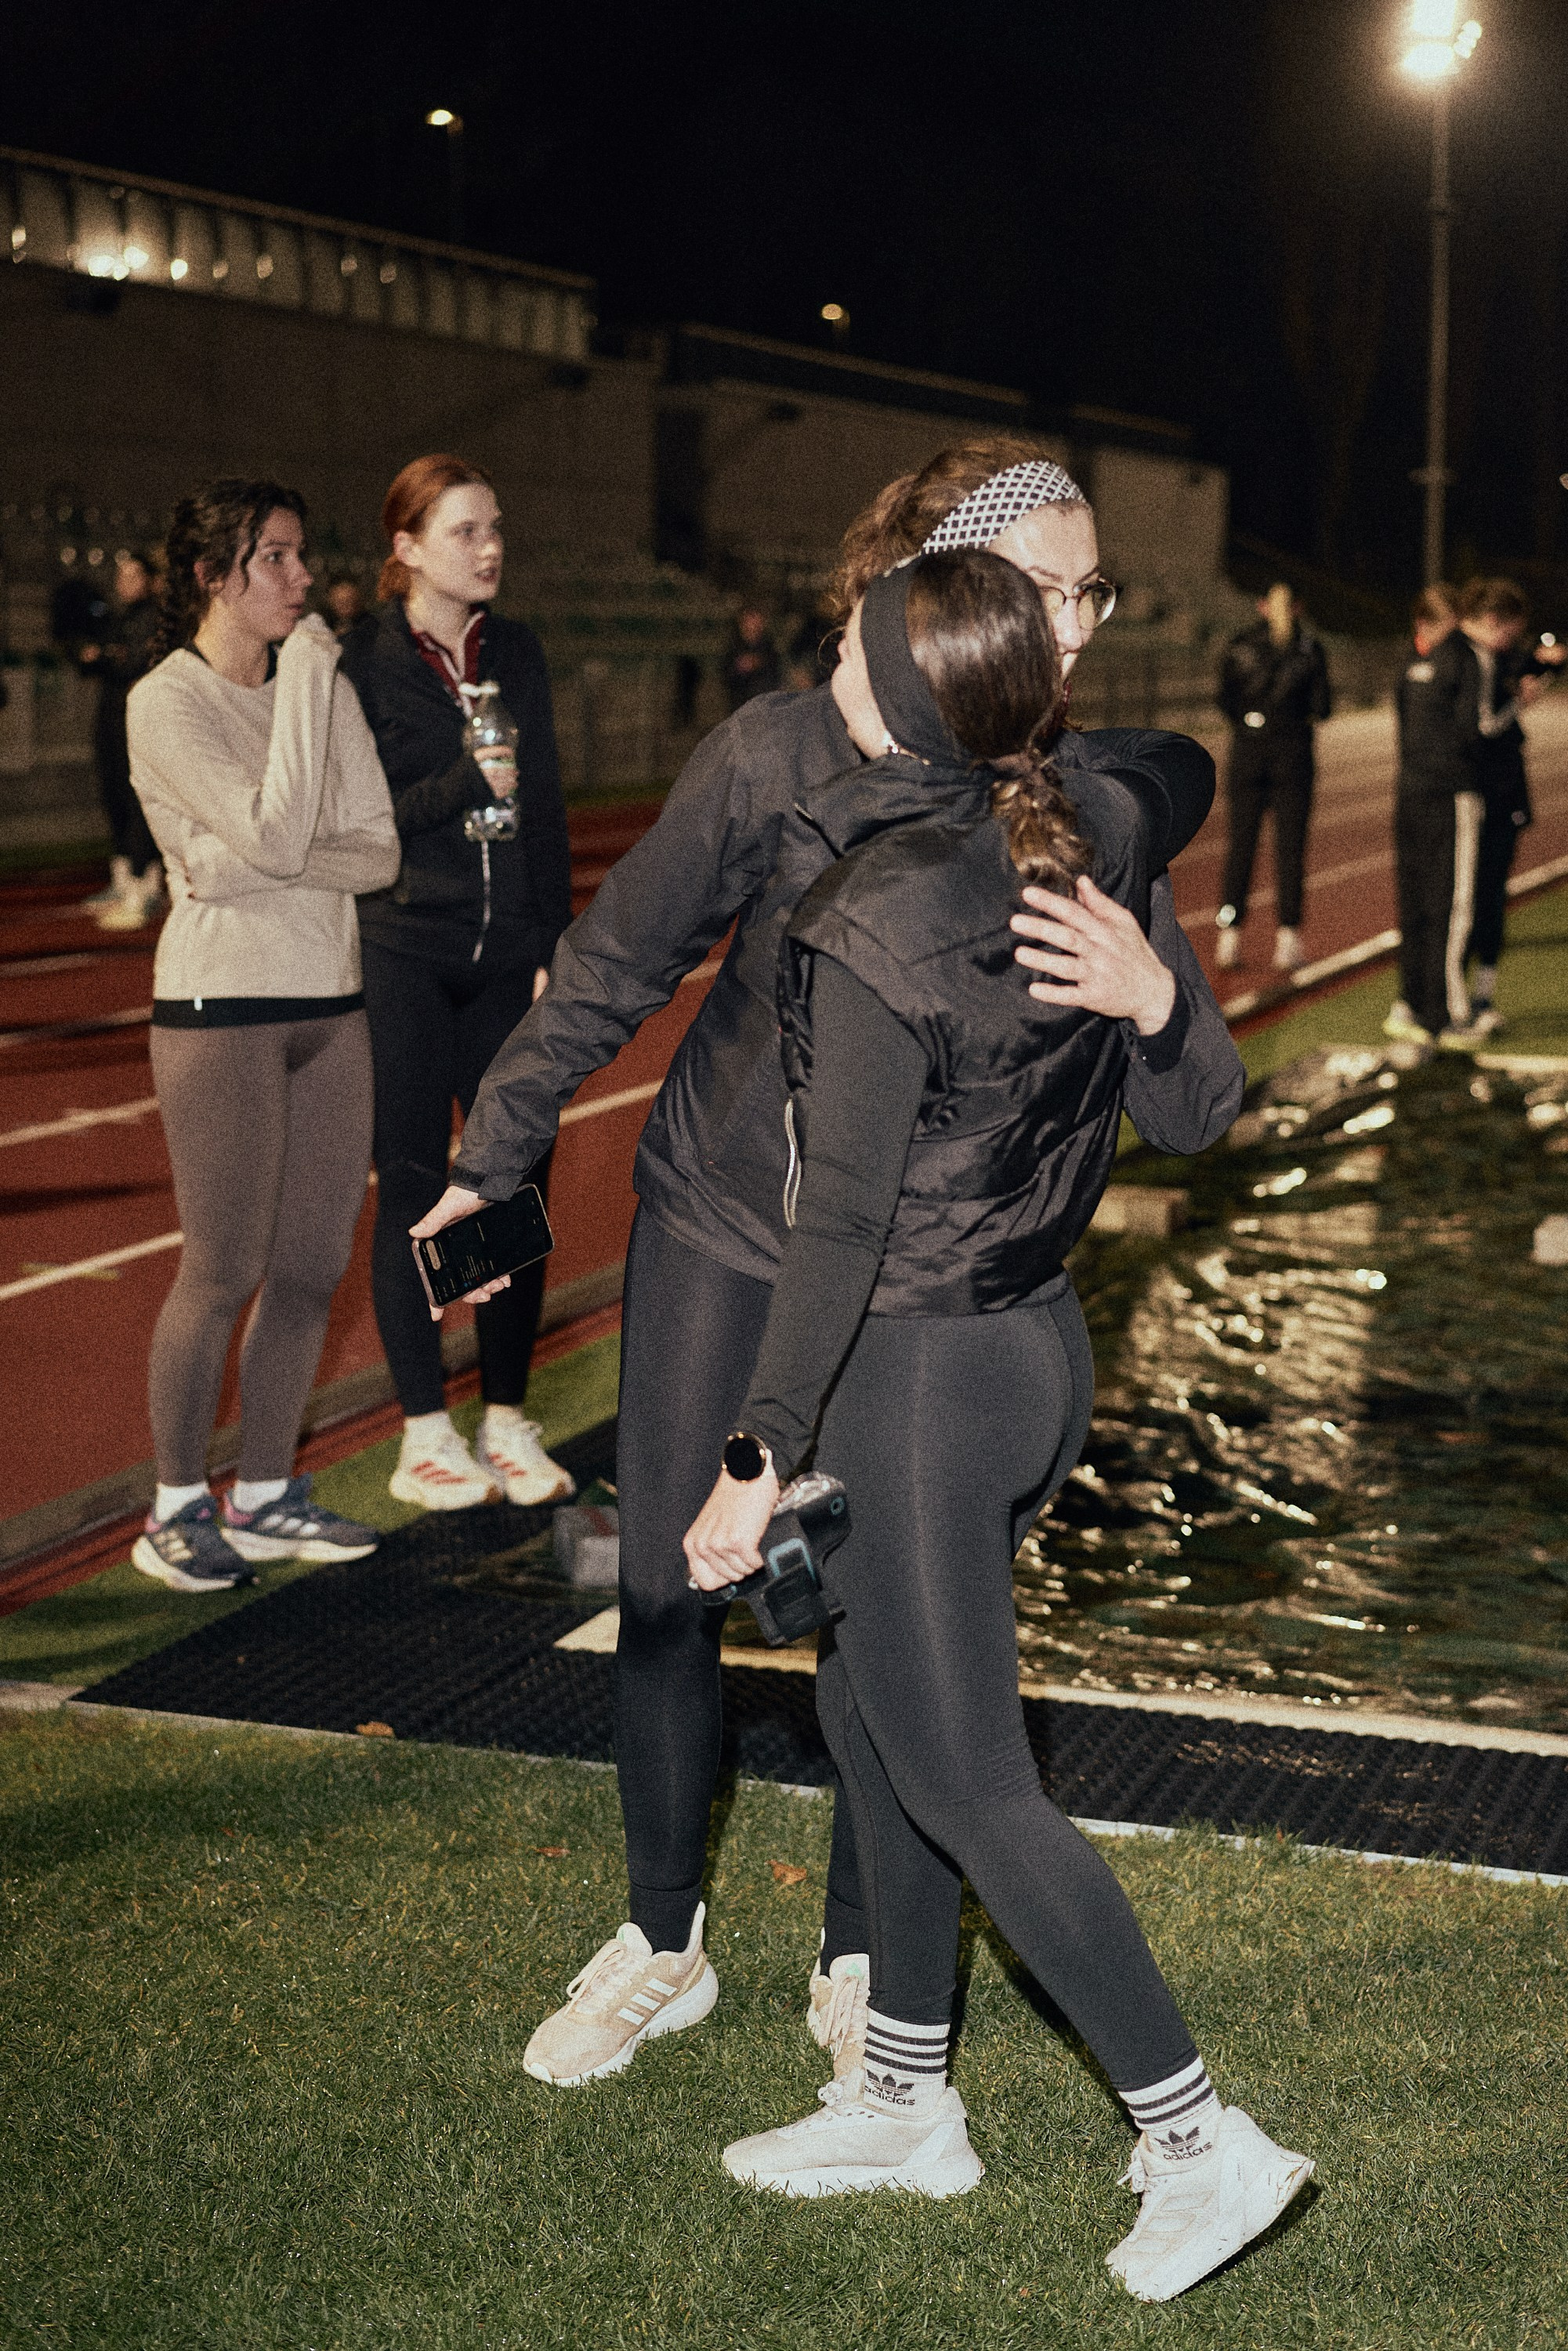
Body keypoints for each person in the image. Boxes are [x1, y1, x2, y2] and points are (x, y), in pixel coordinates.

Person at [408, 441, 1244, 2096]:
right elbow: (608, 966)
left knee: (880, 1636)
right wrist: (493, 1148)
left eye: (1094, 596)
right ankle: (661, 1933)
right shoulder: (778, 751)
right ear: (950, 582)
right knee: (661, 1579)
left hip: (906, 1294)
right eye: (1056, 591)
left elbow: (1193, 1094)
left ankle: (868, 1952)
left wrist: (1153, 989)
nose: (1081, 627)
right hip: (727, 1227)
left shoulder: (1070, 804)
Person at [684, 552, 1308, 2298]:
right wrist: (1160, 1002)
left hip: (917, 1384)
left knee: (963, 1773)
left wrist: (752, 1456)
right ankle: (904, 2092)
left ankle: (1197, 2138)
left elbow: (840, 1224)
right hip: (1031, 1360)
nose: (829, 665)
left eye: (851, 647)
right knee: (881, 1724)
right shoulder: (1084, 833)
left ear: (895, 688)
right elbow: (1201, 1109)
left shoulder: (877, 904)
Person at [125, 480, 399, 1591]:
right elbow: (284, 828)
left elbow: (371, 852)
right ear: (212, 577)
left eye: (298, 556)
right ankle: (176, 1505)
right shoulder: (166, 701)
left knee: (310, 1265)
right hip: (219, 1008)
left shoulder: (313, 687)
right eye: (274, 560)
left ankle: (268, 1490)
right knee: (224, 1263)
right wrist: (308, 696)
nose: (300, 579)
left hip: (328, 1002)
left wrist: (258, 856)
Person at [342, 455, 576, 1510]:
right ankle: (426, 1431)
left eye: (496, 529)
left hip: (504, 962)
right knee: (414, 1182)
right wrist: (460, 783)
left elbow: (549, 804)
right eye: (466, 531)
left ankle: (508, 1420)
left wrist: (554, 949)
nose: (491, 549)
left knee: (514, 1175)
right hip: (404, 952)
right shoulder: (363, 665)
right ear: (406, 547)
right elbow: (355, 823)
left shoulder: (515, 652)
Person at [1441, 578, 1565, 1037]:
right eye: (1511, 630)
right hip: (1477, 792)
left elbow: (1520, 665)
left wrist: (1540, 664)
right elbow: (1483, 724)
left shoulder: (1492, 656)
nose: (1514, 641)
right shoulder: (1467, 658)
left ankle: (1480, 997)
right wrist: (1518, 701)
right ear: (1494, 621)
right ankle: (1455, 1004)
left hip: (1502, 791)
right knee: (1466, 899)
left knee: (1491, 897)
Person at [1213, 583, 1331, 975]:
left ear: (1262, 606)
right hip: (1292, 754)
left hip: (1247, 753)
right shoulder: (1311, 649)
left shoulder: (1239, 644)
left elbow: (1224, 699)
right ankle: (1288, 938)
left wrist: (1250, 721)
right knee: (1290, 850)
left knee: (1240, 848)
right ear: (1297, 607)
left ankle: (1229, 935)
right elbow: (1323, 706)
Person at [1385, 585, 1470, 1045]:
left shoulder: (1434, 661)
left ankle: (1424, 1006)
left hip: (1428, 792)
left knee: (1429, 903)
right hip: (1428, 793)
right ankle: (1426, 1005)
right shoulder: (1433, 659)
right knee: (1427, 903)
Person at [78, 550, 165, 929]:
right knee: (113, 795)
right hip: (111, 718)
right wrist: (104, 657)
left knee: (136, 801)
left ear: (148, 579)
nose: (124, 583)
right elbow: (90, 660)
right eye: (121, 576)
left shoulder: (154, 619)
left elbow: (132, 663)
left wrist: (109, 658)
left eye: (133, 575)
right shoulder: (118, 620)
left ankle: (145, 886)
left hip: (136, 721)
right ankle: (122, 880)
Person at [722, 607, 782, 710]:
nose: (754, 625)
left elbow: (775, 671)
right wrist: (740, 667)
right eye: (750, 621)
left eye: (757, 621)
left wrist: (759, 662)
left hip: (764, 703)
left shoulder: (768, 646)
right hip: (741, 702)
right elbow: (726, 674)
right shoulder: (734, 646)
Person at [323, 573, 378, 666]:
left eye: (349, 602)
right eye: (341, 603)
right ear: (331, 600)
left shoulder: (371, 626)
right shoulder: (323, 623)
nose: (346, 608)